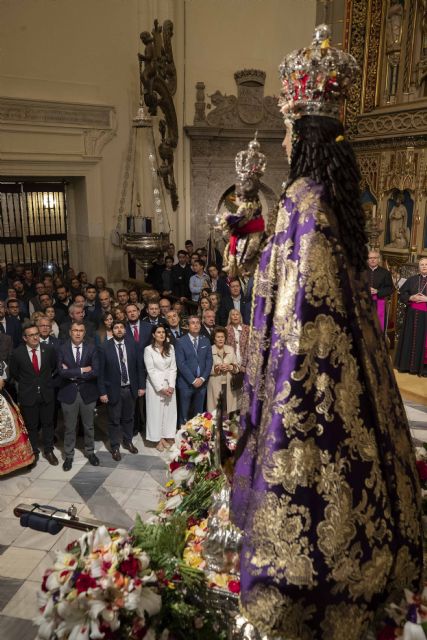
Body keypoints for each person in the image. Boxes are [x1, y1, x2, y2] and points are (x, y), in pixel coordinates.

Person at [230, 25, 422, 639]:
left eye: (288, 127)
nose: (284, 136)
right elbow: (273, 274)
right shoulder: (328, 202)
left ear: (302, 135)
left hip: (306, 384)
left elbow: (291, 310)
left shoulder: (305, 203)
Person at [9, 322, 58, 465]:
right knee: (31, 425)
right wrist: (30, 384)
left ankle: (49, 451)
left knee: (48, 424)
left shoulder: (49, 350)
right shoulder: (18, 353)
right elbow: (15, 373)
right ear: (25, 338)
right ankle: (34, 452)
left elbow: (53, 367)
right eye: (31, 335)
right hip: (28, 395)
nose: (35, 337)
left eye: (36, 334)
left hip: (47, 393)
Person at [98, 320, 144, 461]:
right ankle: (115, 446)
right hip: (113, 390)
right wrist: (102, 392)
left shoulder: (133, 345)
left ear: (125, 330)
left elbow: (139, 367)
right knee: (114, 420)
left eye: (121, 327)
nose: (119, 330)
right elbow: (100, 372)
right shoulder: (104, 347)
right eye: (116, 328)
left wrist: (141, 386)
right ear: (112, 331)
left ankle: (128, 441)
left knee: (129, 418)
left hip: (130, 389)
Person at [58, 322, 100, 471]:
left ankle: (90, 452)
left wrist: (72, 372)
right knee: (69, 427)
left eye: (80, 330)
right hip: (68, 393)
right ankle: (69, 456)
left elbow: (95, 371)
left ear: (84, 333)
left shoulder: (92, 348)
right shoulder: (62, 349)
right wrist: (82, 370)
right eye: (75, 330)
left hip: (87, 393)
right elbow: (61, 372)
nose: (77, 333)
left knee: (89, 426)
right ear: (70, 332)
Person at [175, 315, 213, 425]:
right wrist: (193, 380)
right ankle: (182, 438)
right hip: (186, 383)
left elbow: (209, 361)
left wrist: (202, 378)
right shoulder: (180, 341)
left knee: (199, 414)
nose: (196, 325)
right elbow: (181, 363)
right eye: (193, 323)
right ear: (187, 326)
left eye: (198, 323)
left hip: (202, 384)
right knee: (184, 413)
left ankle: (198, 438)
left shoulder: (205, 340)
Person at [144, 325, 177, 451]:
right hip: (155, 385)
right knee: (155, 412)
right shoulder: (148, 350)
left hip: (169, 384)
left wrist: (171, 386)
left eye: (163, 332)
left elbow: (173, 367)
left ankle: (167, 435)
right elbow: (151, 370)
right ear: (153, 335)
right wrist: (160, 387)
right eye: (158, 332)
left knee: (169, 412)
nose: (161, 334)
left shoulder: (171, 347)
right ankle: (157, 438)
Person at [394, 257, 427, 376]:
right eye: (422, 264)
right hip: (411, 316)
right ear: (418, 267)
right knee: (409, 338)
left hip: (425, 318)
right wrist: (410, 297)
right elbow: (402, 294)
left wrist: (426, 299)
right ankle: (405, 366)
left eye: (426, 264)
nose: (424, 266)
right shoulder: (412, 279)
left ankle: (421, 368)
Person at [207, 327, 239, 414]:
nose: (221, 339)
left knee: (228, 411)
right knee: (215, 413)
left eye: (222, 337)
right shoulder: (209, 350)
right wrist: (216, 368)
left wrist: (230, 367)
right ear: (214, 339)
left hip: (229, 386)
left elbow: (237, 368)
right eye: (218, 337)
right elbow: (205, 369)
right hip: (214, 385)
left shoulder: (230, 349)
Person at [366, 250, 394, 332]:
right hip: (364, 302)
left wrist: (378, 291)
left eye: (375, 258)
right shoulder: (362, 271)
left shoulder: (385, 273)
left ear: (379, 259)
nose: (372, 260)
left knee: (378, 328)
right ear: (367, 260)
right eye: (370, 258)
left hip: (378, 303)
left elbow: (390, 289)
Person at [225, 308, 249, 385]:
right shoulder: (225, 329)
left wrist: (244, 364)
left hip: (245, 363)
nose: (235, 316)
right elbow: (225, 349)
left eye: (237, 314)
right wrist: (232, 365)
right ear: (230, 317)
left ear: (240, 317)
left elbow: (248, 347)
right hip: (231, 364)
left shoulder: (247, 329)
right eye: (233, 315)